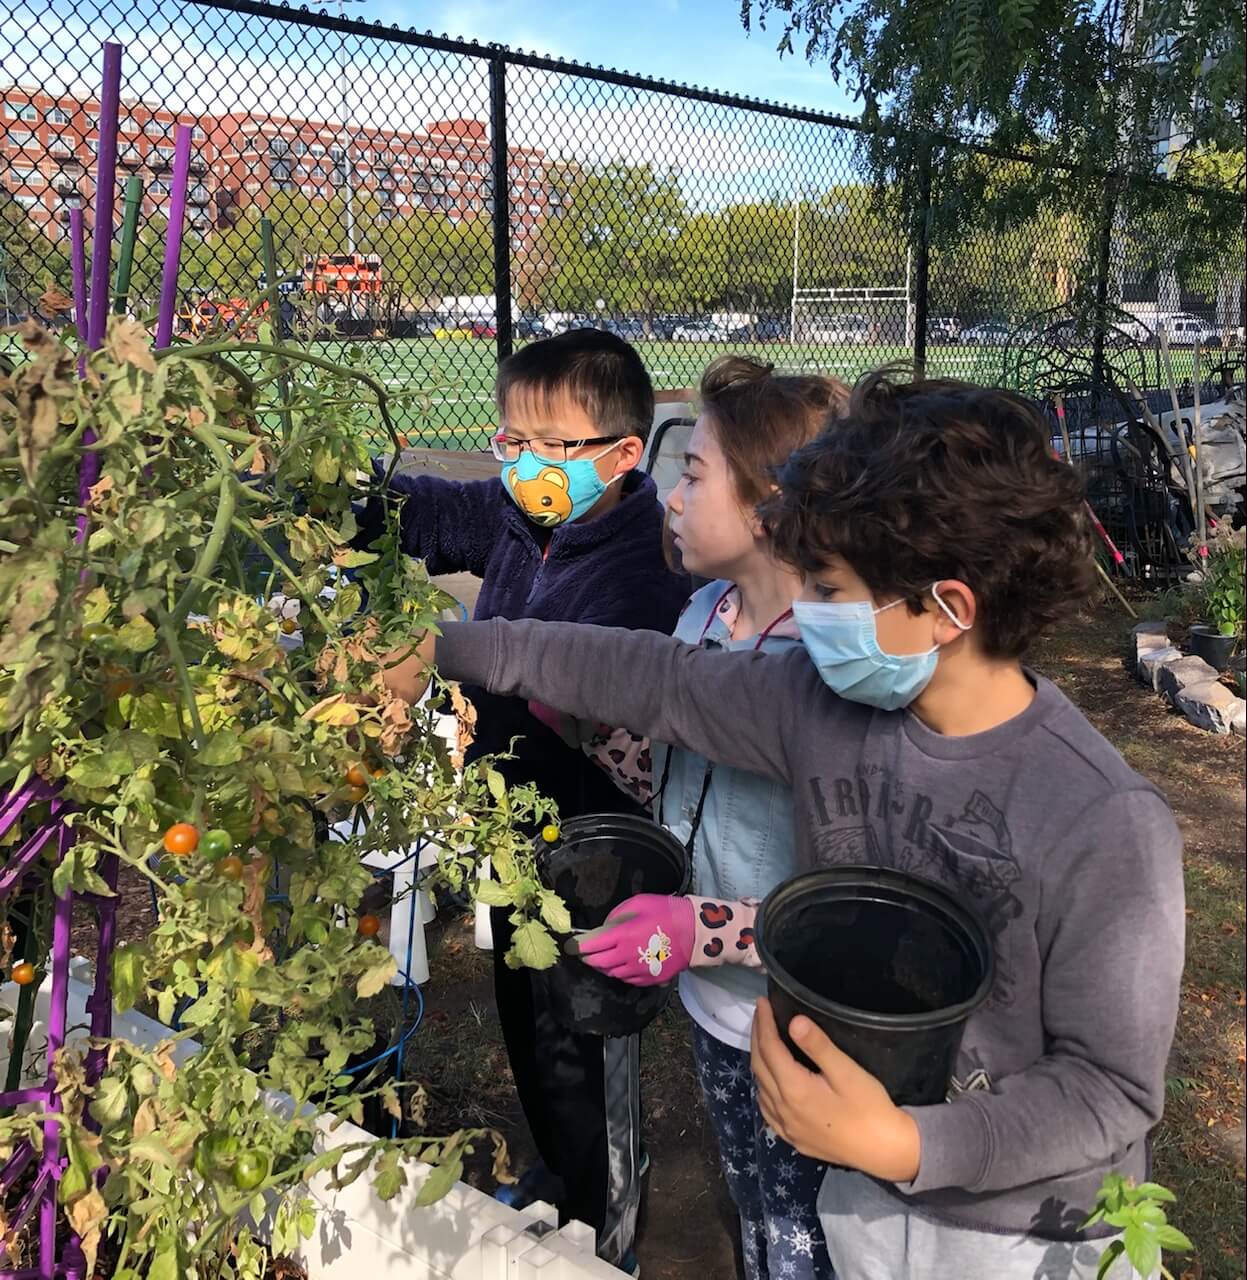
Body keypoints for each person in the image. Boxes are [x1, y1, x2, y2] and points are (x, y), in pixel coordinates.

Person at [412, 373, 1185, 1280]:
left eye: (826, 586)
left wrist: (905, 1144)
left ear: (946, 611)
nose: (805, 613)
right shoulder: (817, 707)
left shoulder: (1100, 821)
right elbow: (648, 679)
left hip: (1017, 1230)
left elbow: (1109, 1088)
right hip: (856, 1182)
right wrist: (445, 647)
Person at [362, 328, 690, 1270]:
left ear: (625, 456)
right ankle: (563, 1172)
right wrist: (328, 497)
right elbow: (422, 509)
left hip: (597, 835)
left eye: (554, 446)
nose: (526, 464)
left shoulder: (645, 565)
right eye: (512, 441)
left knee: (586, 1022)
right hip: (508, 819)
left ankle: (607, 1216)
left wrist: (441, 653)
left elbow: (574, 677)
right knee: (523, 1001)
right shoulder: (517, 518)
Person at [570, 356, 847, 1280]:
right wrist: (592, 731)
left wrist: (704, 928)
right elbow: (673, 781)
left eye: (692, 473)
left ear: (771, 502)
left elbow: (847, 910)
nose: (671, 498)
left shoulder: (828, 667)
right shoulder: (700, 614)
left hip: (805, 1025)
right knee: (755, 1202)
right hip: (712, 998)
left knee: (814, 1227)